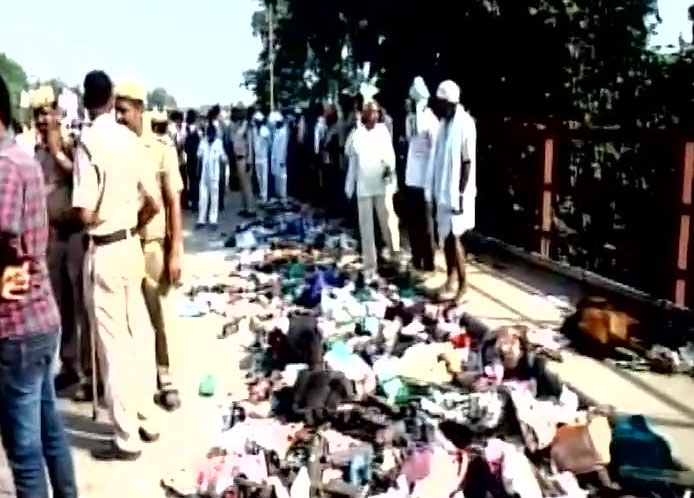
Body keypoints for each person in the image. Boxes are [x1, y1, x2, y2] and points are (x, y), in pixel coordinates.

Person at [73, 71, 161, 460]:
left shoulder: (88, 142)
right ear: (111, 99)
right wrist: (133, 224)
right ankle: (146, 418)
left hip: (105, 247)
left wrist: (94, 222)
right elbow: (154, 202)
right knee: (137, 336)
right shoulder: (130, 139)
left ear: (85, 100)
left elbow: (84, 210)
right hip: (130, 244)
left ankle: (125, 438)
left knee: (112, 347)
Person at [0, 73, 78, 498]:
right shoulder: (22, 158)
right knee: (48, 433)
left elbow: (7, 243)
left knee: (24, 451)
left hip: (17, 327)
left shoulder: (5, 167)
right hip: (38, 318)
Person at [114, 87, 184, 413]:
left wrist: (176, 249)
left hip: (153, 245)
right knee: (128, 320)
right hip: (123, 243)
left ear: (139, 109)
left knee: (159, 316)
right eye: (116, 110)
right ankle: (136, 386)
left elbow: (172, 200)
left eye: (124, 110)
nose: (118, 116)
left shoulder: (160, 148)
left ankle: (165, 377)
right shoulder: (115, 147)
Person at [31, 85, 92, 400]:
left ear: (58, 112)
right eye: (38, 114)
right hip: (53, 239)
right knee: (61, 307)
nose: (44, 119)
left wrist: (58, 153)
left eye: (48, 112)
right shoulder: (35, 154)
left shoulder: (72, 146)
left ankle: (89, 372)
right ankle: (69, 367)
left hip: (76, 235)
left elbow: (82, 180)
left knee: (83, 306)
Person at [425, 80, 477, 303]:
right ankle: (450, 279)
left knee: (455, 239)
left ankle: (464, 287)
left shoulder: (465, 124)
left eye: (442, 102)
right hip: (443, 192)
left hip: (458, 194)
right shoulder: (445, 124)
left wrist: (461, 194)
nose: (439, 106)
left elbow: (467, 162)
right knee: (445, 237)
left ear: (450, 101)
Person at [345, 99, 400, 279]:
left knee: (388, 225)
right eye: (370, 112)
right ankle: (370, 267)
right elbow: (351, 158)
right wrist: (349, 187)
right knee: (366, 230)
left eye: (376, 111)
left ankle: (395, 257)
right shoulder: (357, 134)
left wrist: (390, 174)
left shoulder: (383, 131)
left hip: (382, 187)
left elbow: (390, 157)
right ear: (364, 114)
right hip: (363, 188)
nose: (374, 115)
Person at [404, 77, 439, 273]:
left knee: (426, 225)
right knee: (413, 223)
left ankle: (430, 261)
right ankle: (416, 258)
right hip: (411, 178)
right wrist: (410, 116)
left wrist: (429, 184)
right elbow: (410, 138)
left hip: (425, 181)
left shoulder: (431, 121)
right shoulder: (413, 119)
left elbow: (434, 153)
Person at [196, 122, 227, 230]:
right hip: (204, 175)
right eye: (208, 134)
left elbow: (223, 158)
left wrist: (223, 159)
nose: (210, 137)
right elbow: (199, 157)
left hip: (214, 175)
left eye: (211, 135)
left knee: (214, 198)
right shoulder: (203, 142)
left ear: (214, 134)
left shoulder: (218, 143)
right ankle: (201, 219)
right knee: (203, 198)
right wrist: (198, 172)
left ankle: (213, 219)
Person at [230, 103, 255, 216]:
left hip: (244, 158)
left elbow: (249, 144)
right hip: (239, 158)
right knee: (242, 185)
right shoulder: (238, 126)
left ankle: (250, 209)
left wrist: (249, 160)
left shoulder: (246, 127)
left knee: (247, 185)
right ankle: (246, 208)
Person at [251, 111, 271, 203]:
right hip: (257, 157)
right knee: (259, 177)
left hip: (263, 157)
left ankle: (265, 196)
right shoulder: (254, 130)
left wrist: (266, 145)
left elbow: (269, 143)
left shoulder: (265, 130)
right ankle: (261, 194)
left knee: (264, 178)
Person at [183, 109, 201, 212]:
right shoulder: (196, 130)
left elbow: (186, 146)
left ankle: (194, 201)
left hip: (190, 158)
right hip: (196, 158)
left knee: (192, 181)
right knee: (196, 181)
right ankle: (196, 203)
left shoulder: (187, 129)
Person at [270, 111, 289, 201]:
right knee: (277, 176)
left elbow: (284, 147)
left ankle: (283, 195)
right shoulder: (277, 131)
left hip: (281, 157)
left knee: (282, 177)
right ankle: (278, 194)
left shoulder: (284, 132)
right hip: (276, 157)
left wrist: (283, 159)